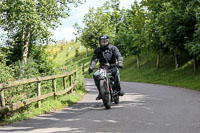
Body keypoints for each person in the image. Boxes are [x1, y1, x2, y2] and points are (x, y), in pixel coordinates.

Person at [88, 35, 124, 100]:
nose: (103, 43)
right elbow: (94, 59)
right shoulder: (98, 50)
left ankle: (118, 90)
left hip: (112, 67)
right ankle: (100, 92)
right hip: (103, 68)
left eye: (105, 41)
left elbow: (119, 55)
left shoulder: (113, 48)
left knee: (116, 73)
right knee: (96, 75)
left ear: (108, 41)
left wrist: (120, 62)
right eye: (102, 42)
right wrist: (91, 66)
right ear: (99, 42)